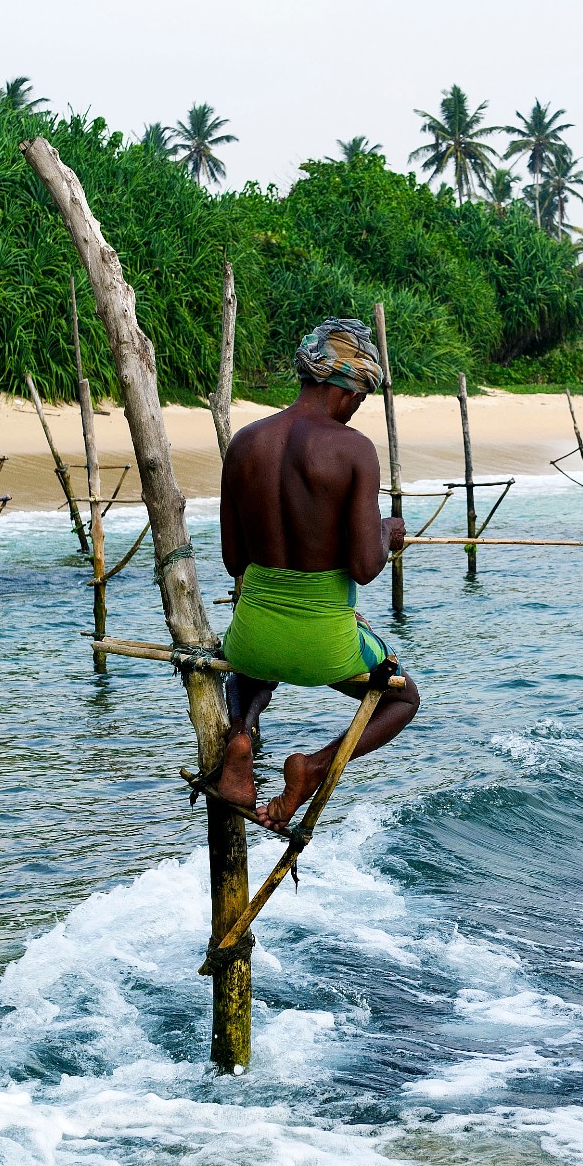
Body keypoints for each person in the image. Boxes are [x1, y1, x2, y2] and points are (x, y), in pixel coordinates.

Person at [215, 318, 421, 832]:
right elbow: (365, 568)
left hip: (251, 642)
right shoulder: (352, 449)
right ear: (346, 386)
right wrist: (385, 531)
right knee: (403, 698)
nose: (358, 408)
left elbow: (233, 560)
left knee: (256, 661)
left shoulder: (244, 443)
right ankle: (313, 768)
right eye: (361, 396)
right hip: (326, 648)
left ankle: (241, 732)